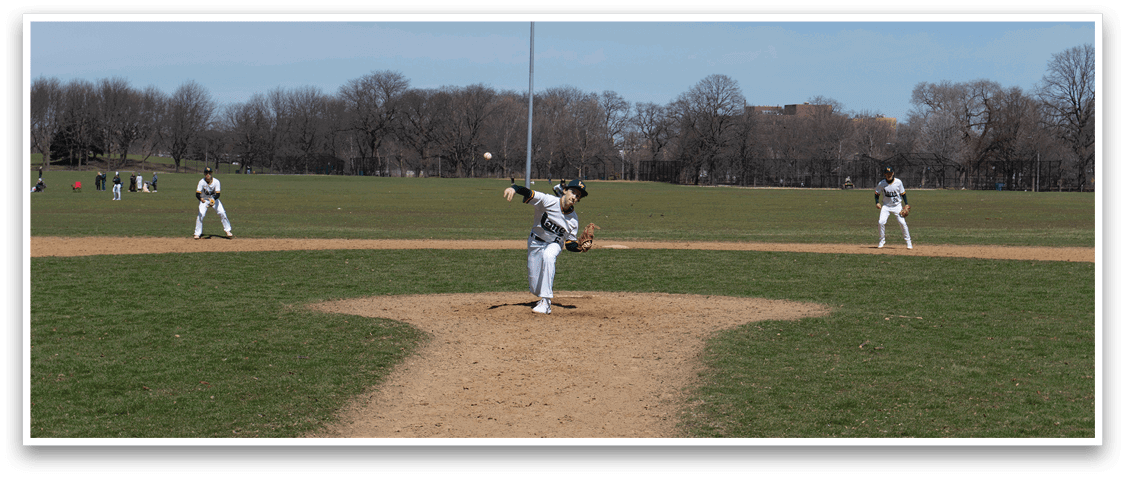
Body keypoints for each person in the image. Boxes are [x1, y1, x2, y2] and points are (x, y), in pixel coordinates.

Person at [502, 178, 589, 314]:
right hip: (535, 243)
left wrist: (579, 247)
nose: (574, 197)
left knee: (549, 256)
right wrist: (514, 189)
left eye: (578, 196)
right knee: (535, 289)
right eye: (573, 192)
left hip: (554, 244)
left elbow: (569, 244)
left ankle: (546, 302)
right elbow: (529, 193)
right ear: (565, 191)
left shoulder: (573, 220)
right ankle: (541, 296)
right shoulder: (548, 201)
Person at [875, 165, 912, 249]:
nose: (889, 175)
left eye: (891, 173)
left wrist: (906, 204)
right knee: (881, 222)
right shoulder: (882, 183)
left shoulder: (898, 182)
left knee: (902, 223)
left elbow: (903, 194)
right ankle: (882, 241)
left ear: (893, 173)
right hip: (886, 206)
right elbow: (877, 193)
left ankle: (908, 242)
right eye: (887, 173)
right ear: (885, 174)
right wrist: (877, 202)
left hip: (897, 206)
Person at [194, 167, 233, 239]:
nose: (208, 174)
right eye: (206, 173)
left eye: (209, 173)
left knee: (222, 213)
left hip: (214, 200)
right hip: (204, 200)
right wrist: (201, 199)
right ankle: (197, 233)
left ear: (211, 173)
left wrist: (213, 200)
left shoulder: (216, 182)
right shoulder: (201, 182)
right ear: (204, 174)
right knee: (201, 215)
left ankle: (228, 231)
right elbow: (197, 194)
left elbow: (218, 194)